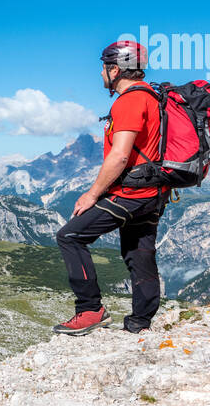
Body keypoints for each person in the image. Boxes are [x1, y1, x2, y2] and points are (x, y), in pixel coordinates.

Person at [53, 40, 169, 335]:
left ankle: (89, 310)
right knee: (139, 252)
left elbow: (120, 156)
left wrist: (92, 194)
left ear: (114, 69)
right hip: (155, 192)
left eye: (103, 69)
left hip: (132, 193)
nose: (101, 75)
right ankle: (140, 323)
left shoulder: (129, 100)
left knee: (70, 236)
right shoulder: (153, 98)